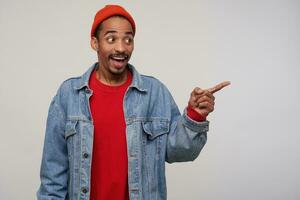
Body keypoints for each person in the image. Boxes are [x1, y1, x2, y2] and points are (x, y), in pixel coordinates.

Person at [37, 4, 230, 200]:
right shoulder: (68, 95)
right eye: (111, 39)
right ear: (95, 43)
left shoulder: (155, 92)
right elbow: (53, 175)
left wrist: (195, 115)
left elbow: (178, 151)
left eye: (128, 39)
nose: (121, 48)